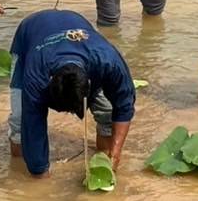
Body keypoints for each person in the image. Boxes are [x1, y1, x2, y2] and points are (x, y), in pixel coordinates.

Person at [8, 9, 136, 178]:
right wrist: (40, 177)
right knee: (20, 123)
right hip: (30, 32)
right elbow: (33, 125)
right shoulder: (36, 75)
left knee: (107, 113)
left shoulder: (108, 61)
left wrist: (115, 155)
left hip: (79, 32)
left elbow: (124, 106)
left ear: (89, 84)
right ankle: (17, 169)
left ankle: (104, 155)